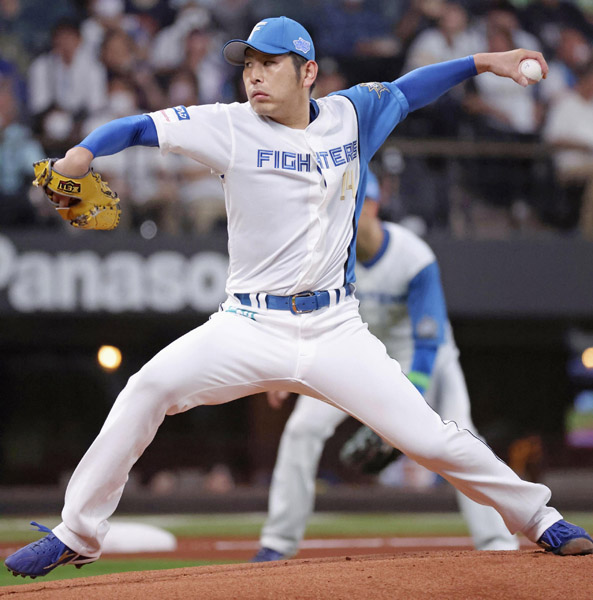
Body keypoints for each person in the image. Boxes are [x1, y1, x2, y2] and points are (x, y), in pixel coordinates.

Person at [5, 15, 592, 579]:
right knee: (147, 388)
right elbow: (137, 127)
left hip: (336, 329)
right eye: (248, 65)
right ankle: (77, 533)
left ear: (307, 72)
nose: (254, 75)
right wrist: (81, 154)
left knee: (431, 438)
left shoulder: (352, 114)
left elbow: (411, 89)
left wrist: (485, 61)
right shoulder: (227, 125)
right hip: (248, 325)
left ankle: (539, 518)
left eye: (269, 64)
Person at [251, 171, 519, 562]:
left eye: (348, 204)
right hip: (355, 353)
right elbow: (303, 317)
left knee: (461, 435)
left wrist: (405, 409)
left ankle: (498, 541)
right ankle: (278, 542)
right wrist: (285, 369)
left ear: (372, 206)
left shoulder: (413, 256)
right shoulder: (325, 256)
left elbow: (428, 340)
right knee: (301, 429)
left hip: (422, 358)